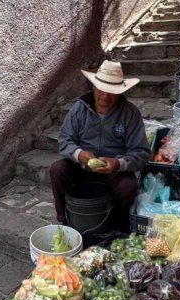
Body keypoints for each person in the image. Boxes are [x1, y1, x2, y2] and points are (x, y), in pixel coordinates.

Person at [50, 60, 151, 232]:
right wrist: (79, 154)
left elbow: (140, 152)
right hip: (81, 167)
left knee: (129, 186)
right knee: (57, 170)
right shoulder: (79, 109)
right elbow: (65, 139)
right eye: (101, 90)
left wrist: (118, 163)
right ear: (94, 87)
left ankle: (118, 227)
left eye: (112, 92)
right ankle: (64, 218)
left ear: (120, 92)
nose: (105, 96)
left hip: (113, 171)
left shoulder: (130, 113)